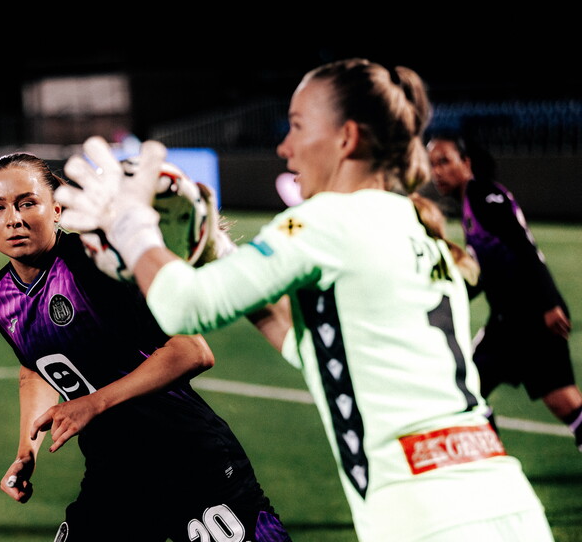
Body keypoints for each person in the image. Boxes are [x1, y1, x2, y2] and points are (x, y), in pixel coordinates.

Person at [56, 59, 554, 542]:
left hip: (424, 516)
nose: (285, 146)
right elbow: (313, 349)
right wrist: (220, 250)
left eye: (297, 126)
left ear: (347, 137)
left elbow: (185, 307)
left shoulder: (328, 219)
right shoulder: (414, 224)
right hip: (506, 498)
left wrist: (132, 227)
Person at [0, 153, 292, 541]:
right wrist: (27, 451)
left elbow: (192, 350)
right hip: (113, 476)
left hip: (187, 459)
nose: (14, 218)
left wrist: (94, 403)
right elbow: (35, 367)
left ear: (57, 210)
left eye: (28, 203)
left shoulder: (94, 264)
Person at [427, 134, 582, 450]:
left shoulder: (483, 195)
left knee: (563, 401)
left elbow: (523, 248)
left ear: (466, 163)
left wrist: (550, 303)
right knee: (466, 384)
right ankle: (489, 457)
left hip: (531, 316)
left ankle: (487, 456)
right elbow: (487, 272)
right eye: (432, 165)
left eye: (444, 161)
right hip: (507, 323)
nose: (437, 172)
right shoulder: (472, 202)